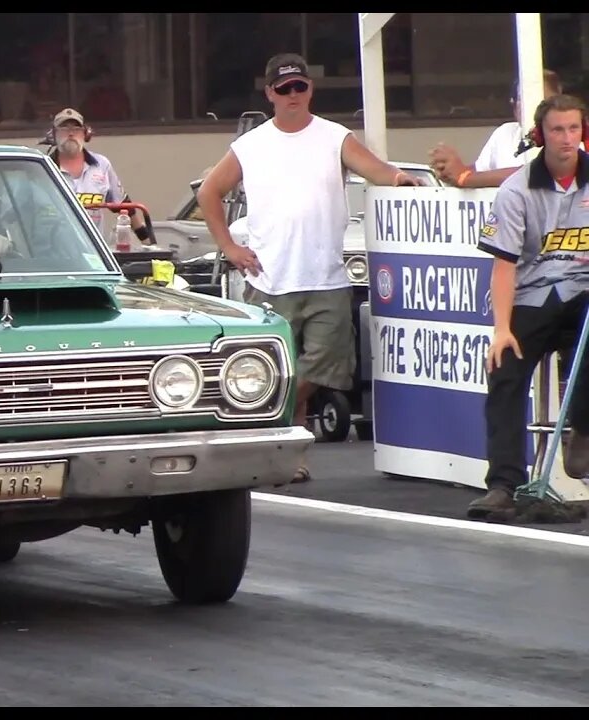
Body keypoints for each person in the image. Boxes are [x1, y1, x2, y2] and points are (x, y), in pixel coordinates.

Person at [196, 52, 423, 483]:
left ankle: (278, 422)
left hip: (326, 277)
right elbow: (210, 192)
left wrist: (398, 180)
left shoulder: (334, 136)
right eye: (284, 89)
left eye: (300, 86)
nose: (293, 95)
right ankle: (293, 448)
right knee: (280, 366)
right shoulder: (250, 145)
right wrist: (229, 246)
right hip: (270, 278)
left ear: (310, 89)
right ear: (270, 94)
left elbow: (376, 169)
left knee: (324, 364)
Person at [469, 93, 589, 518]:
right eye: (557, 129)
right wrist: (502, 328)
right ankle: (504, 483)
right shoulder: (515, 190)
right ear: (541, 135)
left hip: (582, 296)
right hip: (531, 295)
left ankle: (583, 435)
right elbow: (503, 266)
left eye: (574, 128)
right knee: (504, 370)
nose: (566, 138)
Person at [429, 70, 563, 189]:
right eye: (523, 99)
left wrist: (465, 177)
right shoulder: (504, 133)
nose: (533, 106)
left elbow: (538, 174)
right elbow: (478, 173)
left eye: (542, 101)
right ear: (514, 105)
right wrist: (449, 170)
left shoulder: (568, 134)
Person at [47, 107, 150, 243]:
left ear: (86, 134)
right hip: (51, 254)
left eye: (76, 129)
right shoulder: (42, 169)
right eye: (64, 129)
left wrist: (147, 241)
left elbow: (124, 206)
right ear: (53, 135)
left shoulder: (102, 165)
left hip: (93, 253)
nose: (71, 133)